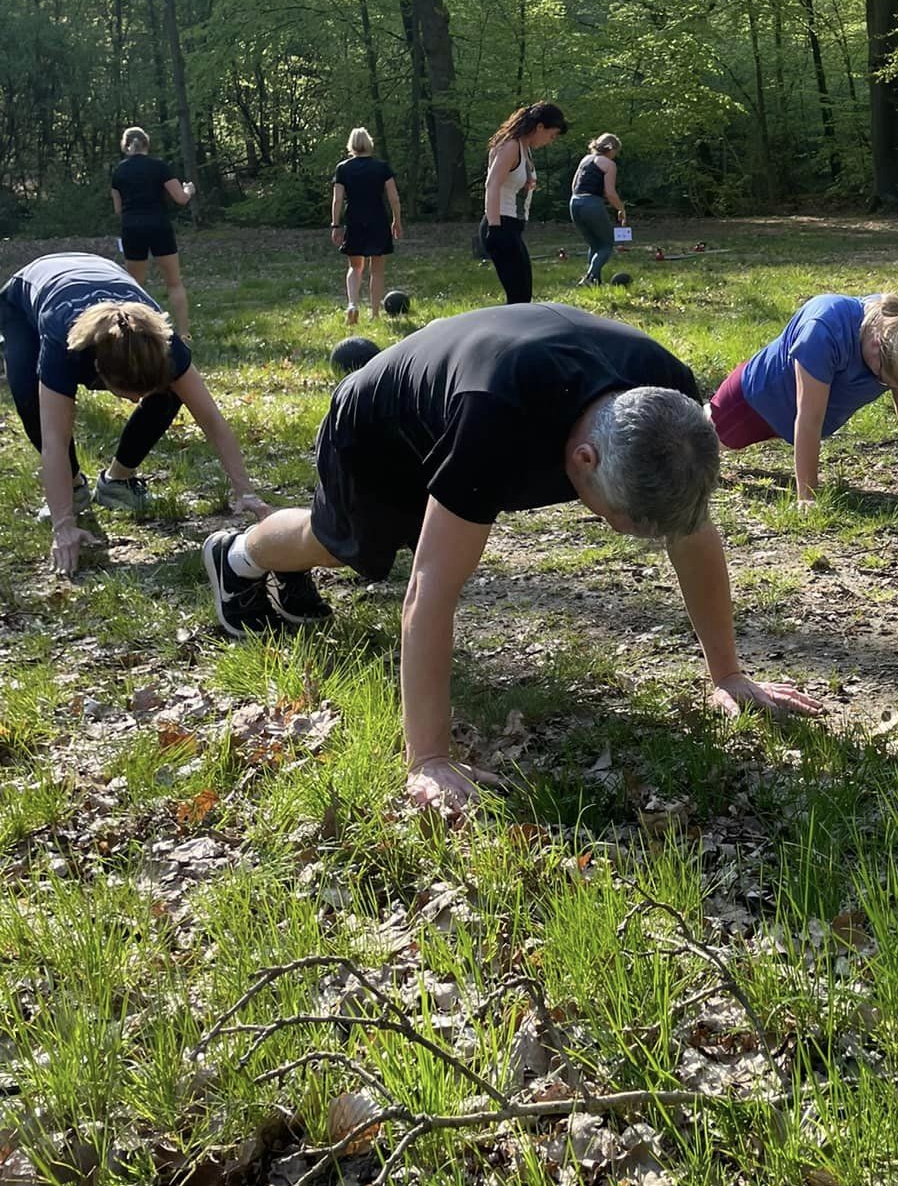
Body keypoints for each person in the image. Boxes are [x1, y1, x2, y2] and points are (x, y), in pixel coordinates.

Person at [201, 302, 823, 813]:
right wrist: (429, 760)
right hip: (379, 429)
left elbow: (692, 535)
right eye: (622, 521)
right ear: (584, 461)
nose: (629, 535)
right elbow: (430, 589)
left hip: (476, 397)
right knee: (343, 546)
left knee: (393, 545)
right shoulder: (496, 422)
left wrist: (728, 676)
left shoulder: (670, 409)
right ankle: (238, 558)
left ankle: (273, 566)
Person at [0, 253, 266, 576]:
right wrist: (63, 525)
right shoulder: (63, 345)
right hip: (26, 297)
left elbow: (212, 420)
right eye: (130, 395)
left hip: (98, 273)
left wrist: (246, 491)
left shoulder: (166, 345)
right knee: (31, 398)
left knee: (170, 393)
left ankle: (117, 483)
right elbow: (54, 438)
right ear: (97, 370)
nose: (136, 401)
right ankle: (73, 488)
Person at [708, 293, 898, 506]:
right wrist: (807, 497)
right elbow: (808, 419)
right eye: (884, 381)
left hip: (795, 421)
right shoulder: (823, 330)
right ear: (875, 344)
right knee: (701, 444)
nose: (890, 389)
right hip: (753, 402)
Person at [481, 102, 569, 304]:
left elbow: (511, 181)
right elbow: (492, 184)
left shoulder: (524, 148)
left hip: (513, 225)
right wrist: (495, 229)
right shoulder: (511, 145)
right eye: (551, 135)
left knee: (522, 295)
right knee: (519, 298)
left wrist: (526, 185)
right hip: (500, 224)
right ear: (539, 127)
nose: (551, 141)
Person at [110, 126, 194, 338]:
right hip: (159, 225)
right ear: (147, 144)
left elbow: (118, 209)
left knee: (135, 285)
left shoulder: (119, 171)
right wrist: (189, 190)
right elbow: (181, 198)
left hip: (132, 227)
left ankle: (136, 333)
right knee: (174, 282)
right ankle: (184, 334)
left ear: (125, 146)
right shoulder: (159, 167)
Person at [330, 127, 402, 324]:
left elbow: (337, 200)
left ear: (351, 145)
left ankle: (352, 304)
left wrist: (336, 225)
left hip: (354, 219)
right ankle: (375, 313)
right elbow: (394, 198)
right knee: (377, 270)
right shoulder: (381, 167)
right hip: (378, 219)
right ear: (370, 143)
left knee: (355, 266)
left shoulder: (343, 168)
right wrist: (397, 221)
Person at [570, 133, 626, 286]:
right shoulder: (609, 164)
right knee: (607, 244)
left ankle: (595, 281)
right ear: (611, 149)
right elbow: (610, 193)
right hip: (591, 203)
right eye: (616, 152)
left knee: (594, 244)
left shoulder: (585, 160)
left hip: (574, 202)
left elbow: (574, 185)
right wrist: (621, 208)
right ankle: (589, 278)